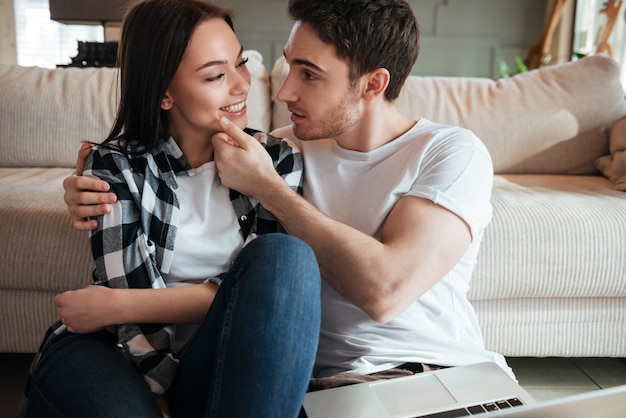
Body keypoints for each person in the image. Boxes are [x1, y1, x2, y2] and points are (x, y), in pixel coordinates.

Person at [64, 0, 514, 396]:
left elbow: (385, 293)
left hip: (436, 372)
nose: (282, 93)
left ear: (373, 84)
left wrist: (269, 189)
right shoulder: (279, 150)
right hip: (316, 384)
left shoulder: (450, 151)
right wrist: (83, 189)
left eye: (309, 75)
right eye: (288, 65)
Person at [23, 1, 321, 417]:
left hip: (210, 350)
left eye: (240, 64)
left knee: (288, 258)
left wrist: (113, 305)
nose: (241, 85)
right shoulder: (114, 165)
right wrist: (157, 392)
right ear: (164, 92)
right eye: (216, 75)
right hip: (114, 345)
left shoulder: (276, 159)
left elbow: (264, 292)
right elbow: (131, 290)